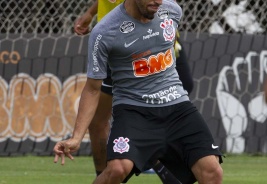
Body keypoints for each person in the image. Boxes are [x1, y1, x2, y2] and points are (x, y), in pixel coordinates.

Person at [54, 0, 223, 184]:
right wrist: (76, 137)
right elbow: (93, 89)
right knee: (117, 169)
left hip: (177, 106)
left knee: (212, 171)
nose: (158, 1)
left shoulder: (172, 11)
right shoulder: (104, 32)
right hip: (134, 111)